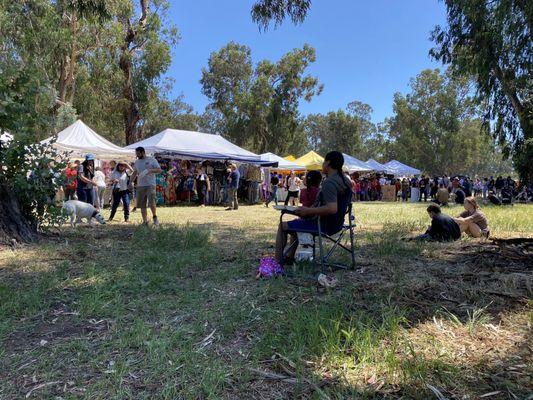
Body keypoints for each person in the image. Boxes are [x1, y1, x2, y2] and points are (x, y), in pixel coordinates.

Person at [275, 151, 352, 264]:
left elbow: (332, 208)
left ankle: (276, 262)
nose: (323, 164)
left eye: (324, 161)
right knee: (296, 224)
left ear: (328, 163)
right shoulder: (346, 181)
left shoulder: (330, 182)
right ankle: (289, 258)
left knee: (283, 226)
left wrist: (308, 211)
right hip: (337, 224)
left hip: (323, 225)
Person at [131, 147, 162, 225]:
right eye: (136, 153)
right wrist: (130, 182)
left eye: (138, 153)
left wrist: (150, 170)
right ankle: (145, 221)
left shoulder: (152, 160)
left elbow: (159, 170)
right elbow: (135, 173)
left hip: (150, 184)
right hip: (140, 185)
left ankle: (155, 217)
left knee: (152, 202)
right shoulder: (137, 162)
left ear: (143, 152)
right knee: (142, 204)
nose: (137, 155)